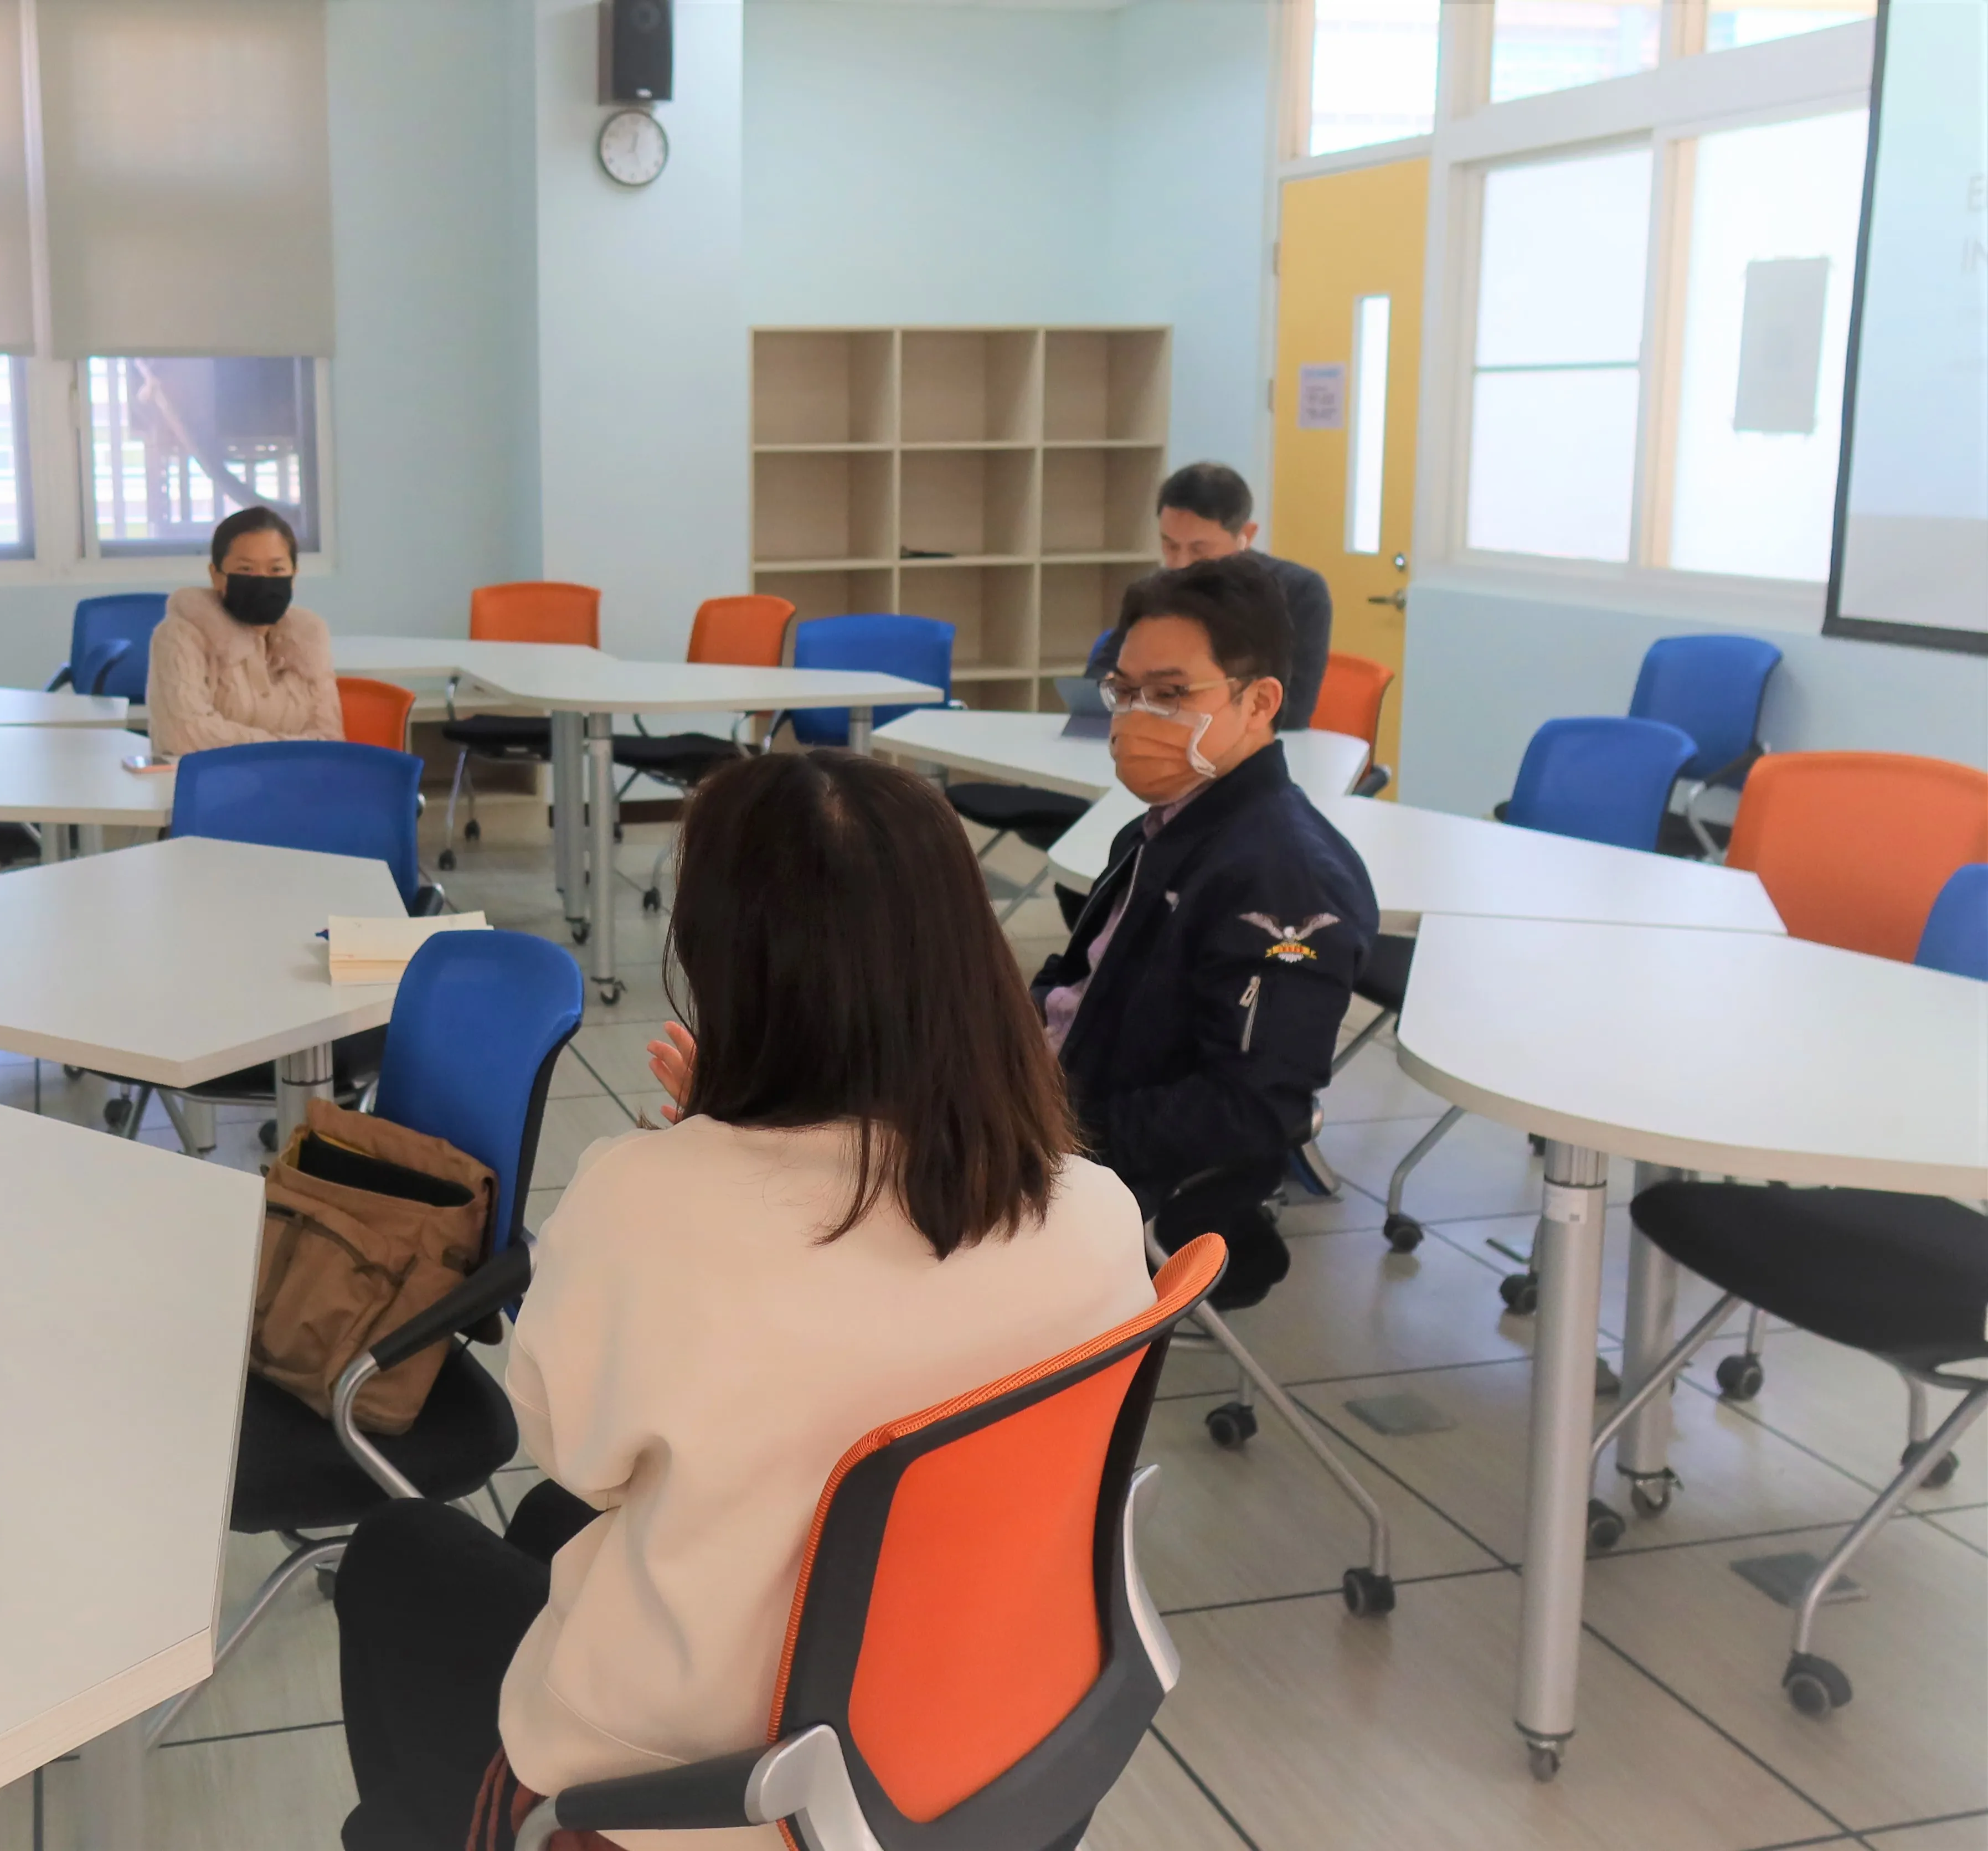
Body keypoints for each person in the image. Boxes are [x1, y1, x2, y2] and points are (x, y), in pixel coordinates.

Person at [331, 751, 1157, 1851]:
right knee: (546, 1534)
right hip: (977, 1729)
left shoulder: (643, 1205)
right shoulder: (1094, 1209)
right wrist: (726, 1151)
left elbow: (577, 1452)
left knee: (399, 1550)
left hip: (726, 1800)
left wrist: (702, 1162)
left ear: (721, 959)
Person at [1039, 554, 1376, 1312]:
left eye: (1169, 694)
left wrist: (1048, 1127)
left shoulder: (1286, 883)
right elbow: (1076, 980)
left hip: (1101, 1164)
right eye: (1124, 691)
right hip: (1052, 1109)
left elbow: (1250, 1107)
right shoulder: (1159, 827)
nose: (1136, 717)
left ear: (1258, 701)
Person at [1084, 461, 1332, 733]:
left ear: (1246, 535)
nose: (1181, 564)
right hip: (1155, 736)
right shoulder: (1153, 593)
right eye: (1170, 545)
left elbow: (1292, 710)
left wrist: (1171, 700)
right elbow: (1094, 682)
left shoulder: (1299, 592)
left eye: (1199, 549)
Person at [145, 504, 343, 759]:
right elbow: (182, 736)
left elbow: (330, 738)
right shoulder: (179, 637)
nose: (262, 580)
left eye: (276, 570)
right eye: (246, 570)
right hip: (212, 782)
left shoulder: (308, 637)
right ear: (217, 576)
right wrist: (291, 748)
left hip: (295, 780)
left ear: (294, 575)